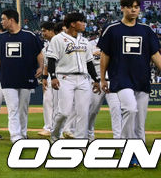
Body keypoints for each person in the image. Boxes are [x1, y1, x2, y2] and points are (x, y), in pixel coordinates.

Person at [99, 0, 161, 151]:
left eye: (136, 7)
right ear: (122, 8)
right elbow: (105, 55)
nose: (133, 9)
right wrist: (103, 78)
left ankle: (139, 150)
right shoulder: (111, 29)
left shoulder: (146, 30)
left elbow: (154, 53)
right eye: (130, 6)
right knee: (130, 109)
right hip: (120, 77)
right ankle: (125, 146)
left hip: (142, 78)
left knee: (140, 120)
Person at [0, 8, 45, 142]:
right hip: (8, 78)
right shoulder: (1, 38)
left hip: (26, 76)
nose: (2, 22)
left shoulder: (29, 36)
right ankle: (15, 136)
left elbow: (39, 53)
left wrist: (41, 67)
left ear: (11, 20)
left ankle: (23, 133)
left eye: (3, 19)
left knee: (23, 108)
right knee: (13, 108)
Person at [47, 12, 100, 141]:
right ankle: (55, 135)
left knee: (83, 112)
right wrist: (53, 76)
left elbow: (89, 62)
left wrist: (96, 79)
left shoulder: (84, 41)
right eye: (81, 21)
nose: (84, 24)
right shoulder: (58, 39)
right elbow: (51, 60)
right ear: (72, 24)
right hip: (65, 78)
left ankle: (81, 142)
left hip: (83, 79)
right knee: (64, 112)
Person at [85, 29, 121, 140]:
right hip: (95, 81)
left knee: (116, 110)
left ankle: (118, 139)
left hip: (112, 81)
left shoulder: (117, 44)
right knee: (92, 111)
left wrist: (103, 54)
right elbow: (82, 59)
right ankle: (89, 136)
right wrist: (92, 54)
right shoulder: (90, 44)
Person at [37, 22, 60, 137]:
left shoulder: (60, 41)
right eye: (42, 31)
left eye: (45, 31)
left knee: (57, 104)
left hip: (60, 75)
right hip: (50, 76)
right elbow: (46, 64)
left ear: (52, 30)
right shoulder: (46, 45)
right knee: (47, 101)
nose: (43, 33)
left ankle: (57, 128)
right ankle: (48, 127)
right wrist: (45, 78)